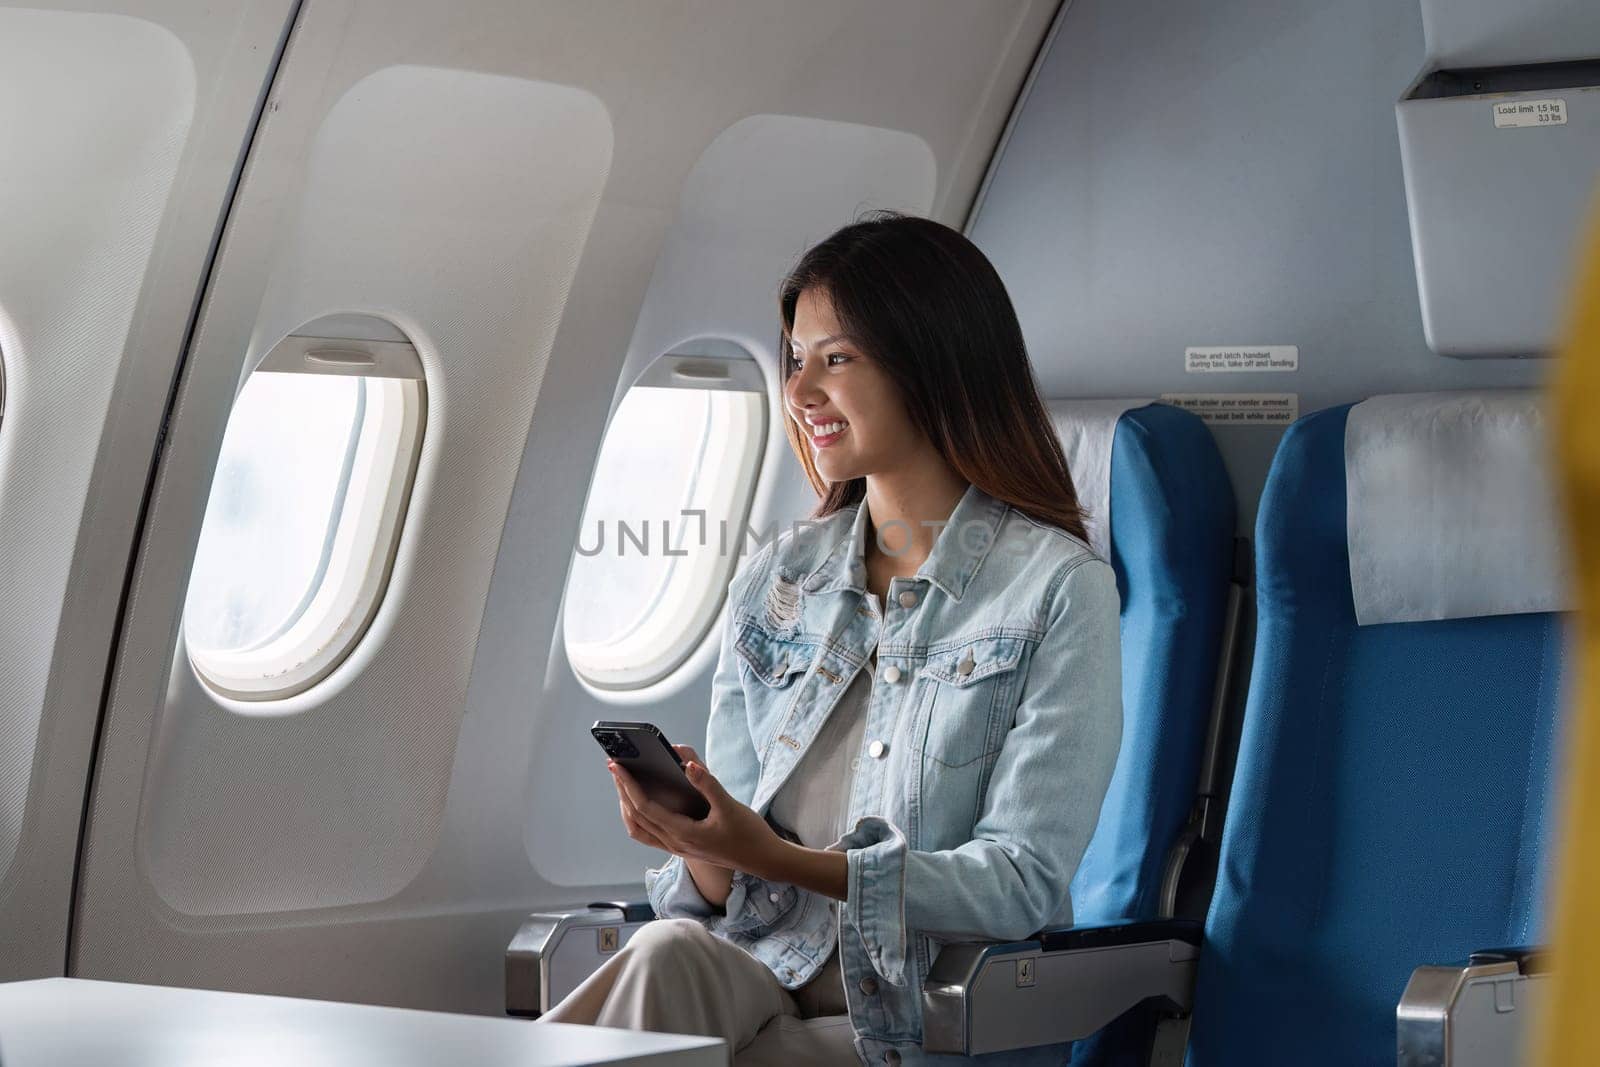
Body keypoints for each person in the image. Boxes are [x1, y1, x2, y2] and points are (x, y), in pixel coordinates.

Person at [538, 212, 1123, 1065]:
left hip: (920, 1021)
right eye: (795, 358)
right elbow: (724, 884)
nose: (801, 390)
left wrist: (788, 859)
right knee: (665, 951)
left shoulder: (1058, 591)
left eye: (837, 359)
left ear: (934, 361)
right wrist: (704, 849)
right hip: (764, 974)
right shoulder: (779, 578)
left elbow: (1020, 881)